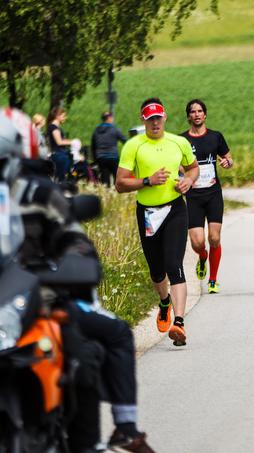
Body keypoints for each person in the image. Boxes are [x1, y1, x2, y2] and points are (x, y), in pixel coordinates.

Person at [0, 110, 155, 453]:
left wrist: (74, 262)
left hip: (40, 299)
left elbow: (74, 239)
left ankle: (99, 439)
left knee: (83, 356)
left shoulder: (38, 195)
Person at [115, 98, 198, 347]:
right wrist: (147, 181)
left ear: (165, 118)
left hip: (174, 209)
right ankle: (164, 303)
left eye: (158, 118)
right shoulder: (133, 146)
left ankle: (179, 322)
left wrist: (188, 181)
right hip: (148, 213)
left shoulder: (179, 142)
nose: (155, 123)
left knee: (175, 265)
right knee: (156, 270)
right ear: (143, 119)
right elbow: (120, 184)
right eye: (150, 119)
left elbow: (193, 168)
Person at [180, 99, 233, 294]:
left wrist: (227, 162)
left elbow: (229, 157)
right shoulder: (182, 140)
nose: (196, 114)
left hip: (213, 194)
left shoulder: (215, 137)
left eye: (200, 111)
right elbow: (175, 162)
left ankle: (212, 279)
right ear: (188, 116)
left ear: (205, 114)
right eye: (193, 112)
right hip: (193, 196)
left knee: (214, 238)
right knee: (197, 242)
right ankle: (202, 257)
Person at [91, 111, 127, 186]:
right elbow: (125, 141)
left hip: (101, 158)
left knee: (105, 179)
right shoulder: (114, 129)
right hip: (113, 157)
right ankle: (117, 194)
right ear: (110, 118)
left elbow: (93, 146)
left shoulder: (96, 130)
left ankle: (106, 194)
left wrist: (95, 159)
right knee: (117, 178)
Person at [46, 106, 79, 181]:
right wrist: (73, 141)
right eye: (63, 116)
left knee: (72, 170)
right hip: (59, 156)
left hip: (62, 154)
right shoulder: (53, 127)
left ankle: (73, 177)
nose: (65, 118)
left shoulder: (56, 127)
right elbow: (59, 141)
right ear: (57, 116)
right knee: (62, 177)